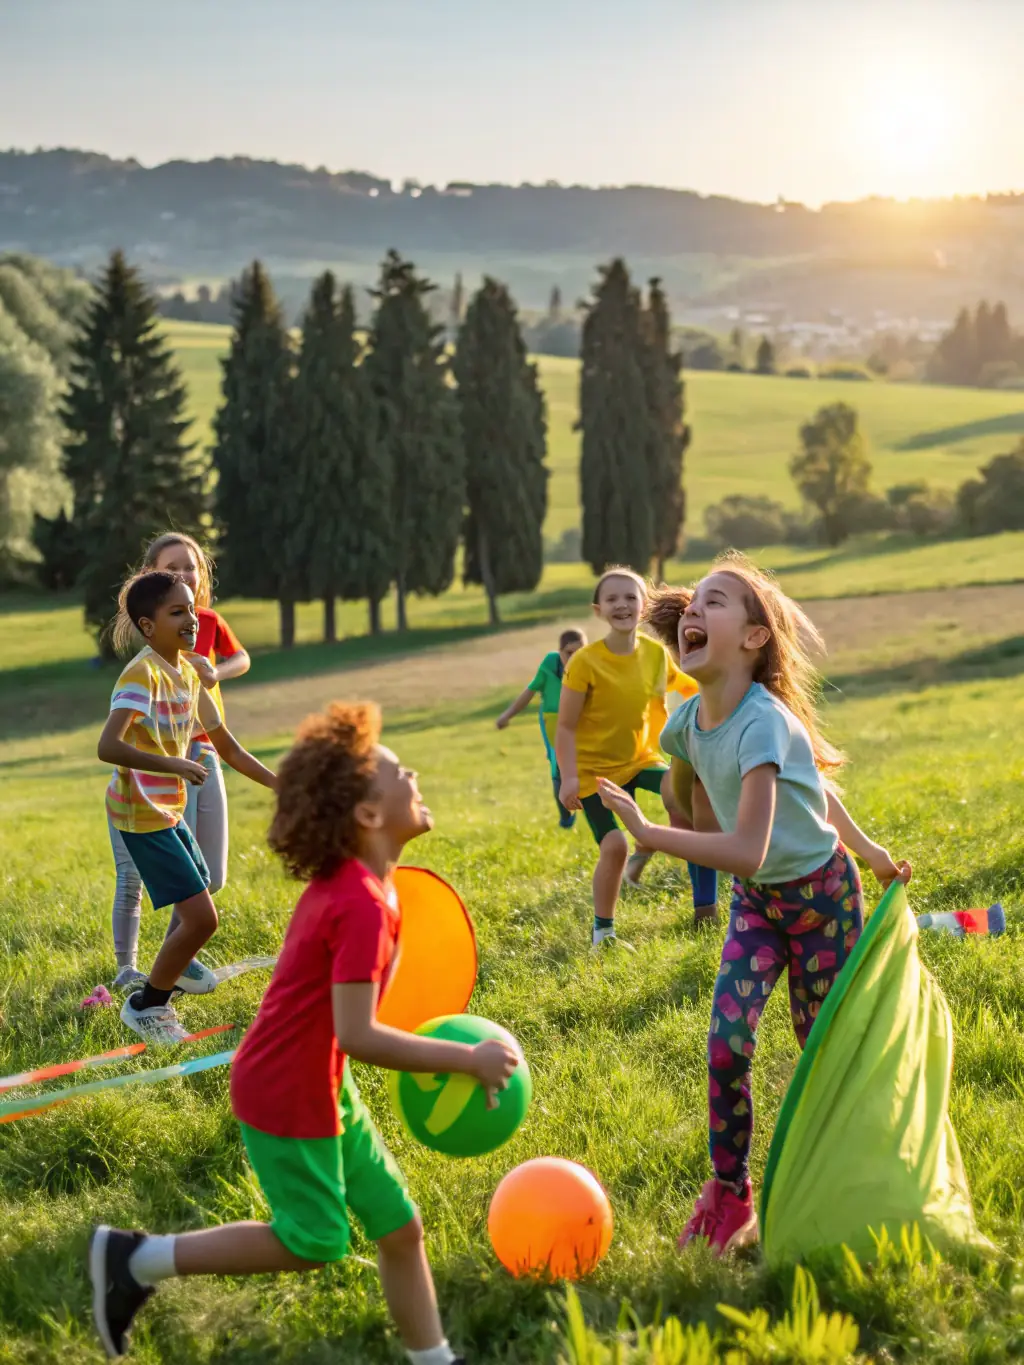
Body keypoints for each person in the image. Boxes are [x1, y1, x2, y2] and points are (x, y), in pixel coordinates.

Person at [89, 701, 518, 1364]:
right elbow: (360, 1033)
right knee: (313, 1241)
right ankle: (136, 1259)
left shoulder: (368, 886)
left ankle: (435, 1358)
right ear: (369, 816)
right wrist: (467, 1058)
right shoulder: (360, 903)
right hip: (289, 1088)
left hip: (320, 1079)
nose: (415, 776)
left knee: (399, 1227)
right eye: (401, 772)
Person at [596, 552, 912, 1255]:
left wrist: (654, 834)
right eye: (694, 603)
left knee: (819, 1050)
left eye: (716, 601)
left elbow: (748, 845)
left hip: (822, 900)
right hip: (757, 907)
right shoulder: (684, 722)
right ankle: (730, 1192)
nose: (694, 612)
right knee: (726, 1042)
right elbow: (794, 788)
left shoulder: (765, 722)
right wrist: (660, 821)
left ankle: (855, 1169)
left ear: (754, 638)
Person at [98, 571, 276, 1045]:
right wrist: (173, 763)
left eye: (191, 610)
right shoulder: (141, 673)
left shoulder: (192, 671)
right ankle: (147, 1006)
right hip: (139, 814)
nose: (191, 619)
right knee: (202, 918)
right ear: (148, 625)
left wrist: (280, 784)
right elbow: (107, 746)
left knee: (202, 906)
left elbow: (229, 749)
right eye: (176, 612)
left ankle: (170, 977)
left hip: (167, 811)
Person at [108, 533, 251, 991]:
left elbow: (239, 660)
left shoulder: (205, 621)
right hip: (165, 765)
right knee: (150, 876)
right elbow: (115, 738)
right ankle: (137, 974)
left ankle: (175, 960)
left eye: (191, 566)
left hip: (205, 750)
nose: (186, 575)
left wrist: (215, 670)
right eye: (174, 567)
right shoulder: (149, 656)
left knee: (211, 875)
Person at [555, 568, 718, 950]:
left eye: (630, 596)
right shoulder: (584, 663)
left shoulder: (656, 655)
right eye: (612, 598)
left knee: (692, 803)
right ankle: (604, 934)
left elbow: (688, 684)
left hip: (642, 759)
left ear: (643, 606)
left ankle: (705, 910)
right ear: (599, 610)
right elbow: (564, 727)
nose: (622, 604)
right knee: (615, 847)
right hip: (592, 773)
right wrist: (567, 778)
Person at [495, 627, 587, 828]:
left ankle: (591, 806)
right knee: (558, 771)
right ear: (560, 651)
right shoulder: (549, 663)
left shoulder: (589, 665)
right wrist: (507, 715)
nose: (574, 658)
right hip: (553, 723)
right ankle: (565, 816)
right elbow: (529, 692)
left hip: (582, 722)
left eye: (579, 652)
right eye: (568, 653)